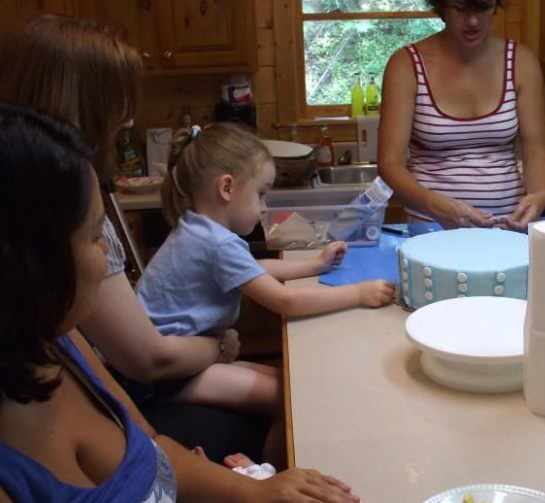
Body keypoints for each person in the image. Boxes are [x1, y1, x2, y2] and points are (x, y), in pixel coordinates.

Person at [0, 101, 365, 503]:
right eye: (95, 237)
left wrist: (250, 492)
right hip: (171, 380)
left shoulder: (67, 347)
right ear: (28, 262)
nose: (112, 263)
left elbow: (152, 448)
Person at [0, 14, 262, 460]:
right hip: (124, 393)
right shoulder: (52, 213)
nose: (129, 116)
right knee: (262, 419)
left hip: (111, 394)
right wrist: (217, 345)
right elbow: (147, 360)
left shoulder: (51, 191)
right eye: (115, 101)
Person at [135, 127, 395, 425]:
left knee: (290, 384)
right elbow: (285, 301)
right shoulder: (217, 243)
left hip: (181, 357)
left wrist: (316, 265)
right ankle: (267, 470)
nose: (264, 207)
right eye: (260, 194)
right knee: (289, 401)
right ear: (227, 188)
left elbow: (252, 268)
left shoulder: (199, 229)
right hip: (169, 375)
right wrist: (358, 294)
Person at [378, 0, 545, 231]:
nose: (472, 21)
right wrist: (434, 204)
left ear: (497, 3)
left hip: (506, 230)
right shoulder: (406, 66)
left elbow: (536, 153)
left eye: (483, 7)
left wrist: (538, 196)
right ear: (441, 5)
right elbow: (389, 165)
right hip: (431, 229)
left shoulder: (521, 63)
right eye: (460, 8)